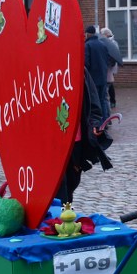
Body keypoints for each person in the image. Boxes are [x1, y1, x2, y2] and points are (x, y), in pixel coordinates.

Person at [55, 70, 112, 204]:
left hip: (75, 140)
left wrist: (95, 125)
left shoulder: (80, 69)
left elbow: (94, 106)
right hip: (49, 142)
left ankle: (65, 218)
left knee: (71, 183)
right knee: (58, 187)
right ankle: (58, 220)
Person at [85, 25, 111, 121]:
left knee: (94, 102)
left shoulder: (87, 45)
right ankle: (104, 122)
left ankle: (97, 124)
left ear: (88, 34)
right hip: (103, 78)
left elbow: (86, 63)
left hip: (93, 79)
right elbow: (107, 60)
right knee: (103, 100)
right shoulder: (103, 45)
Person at [99, 27, 123, 108]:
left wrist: (109, 64)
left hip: (109, 66)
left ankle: (112, 101)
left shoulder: (111, 43)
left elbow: (113, 56)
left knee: (109, 84)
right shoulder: (112, 42)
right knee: (109, 83)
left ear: (106, 34)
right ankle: (112, 101)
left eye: (102, 34)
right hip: (109, 66)